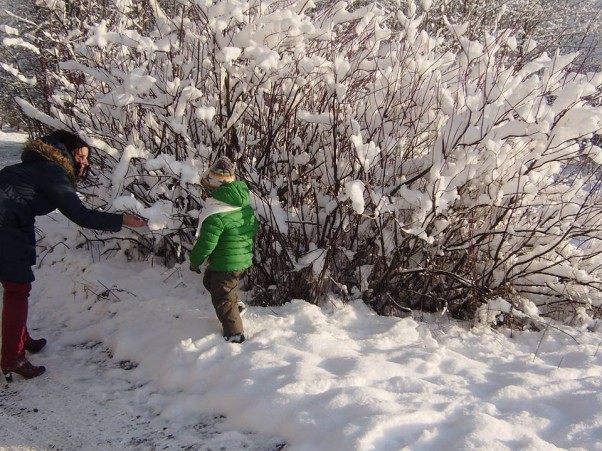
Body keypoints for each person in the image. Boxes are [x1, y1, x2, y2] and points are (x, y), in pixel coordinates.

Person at [0, 129, 148, 382]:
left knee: (17, 286)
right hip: (6, 226)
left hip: (13, 225)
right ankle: (12, 357)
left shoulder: (39, 167)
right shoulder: (52, 171)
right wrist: (123, 220)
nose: (85, 162)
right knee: (17, 289)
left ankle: (20, 339)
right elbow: (80, 215)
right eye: (82, 156)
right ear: (66, 151)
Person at [189, 156, 258, 344]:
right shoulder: (242, 205)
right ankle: (236, 306)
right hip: (241, 258)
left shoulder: (216, 214)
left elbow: (206, 244)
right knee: (211, 281)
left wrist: (195, 260)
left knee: (222, 296)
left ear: (214, 188)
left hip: (226, 262)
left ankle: (235, 333)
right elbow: (254, 227)